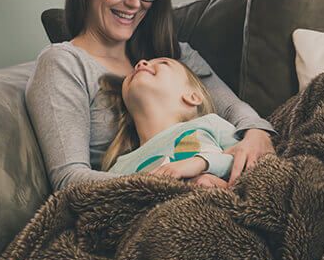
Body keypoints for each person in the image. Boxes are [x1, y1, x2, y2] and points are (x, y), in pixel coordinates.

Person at [25, 0, 275, 192]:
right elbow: (70, 179)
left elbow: (232, 110)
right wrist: (171, 182)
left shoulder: (175, 55)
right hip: (146, 206)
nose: (135, 3)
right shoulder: (64, 64)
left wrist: (257, 134)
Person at [102, 58, 238, 188]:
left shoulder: (210, 123)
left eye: (163, 63)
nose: (141, 63)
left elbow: (248, 160)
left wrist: (201, 163)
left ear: (192, 97)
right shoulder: (118, 167)